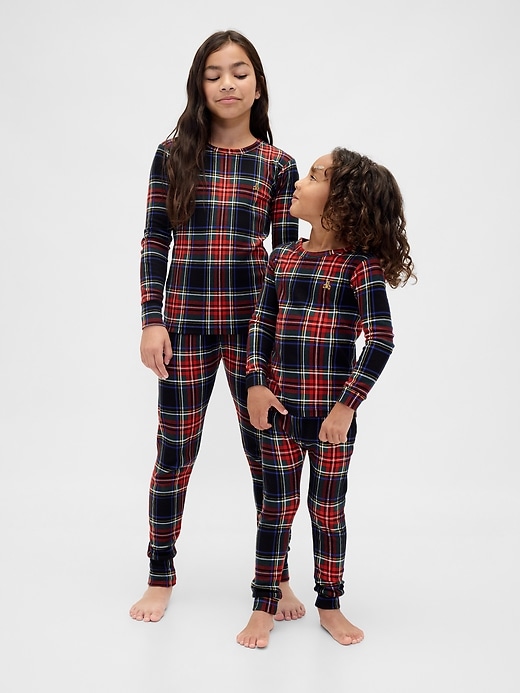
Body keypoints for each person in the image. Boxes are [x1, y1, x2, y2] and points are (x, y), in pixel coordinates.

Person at [130, 30, 305, 623]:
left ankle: (276, 576)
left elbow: (286, 261)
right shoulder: (172, 154)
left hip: (254, 333)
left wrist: (281, 337)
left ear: (257, 85)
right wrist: (151, 320)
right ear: (199, 86)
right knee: (175, 451)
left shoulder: (278, 166)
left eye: (239, 72)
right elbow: (155, 240)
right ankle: (160, 573)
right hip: (183, 327)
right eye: (213, 75)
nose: (227, 84)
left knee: (268, 456)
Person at [236, 147, 416, 648]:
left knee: (328, 512)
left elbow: (380, 340)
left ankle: (330, 604)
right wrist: (255, 383)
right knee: (275, 509)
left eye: (314, 176)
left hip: (331, 422)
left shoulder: (359, 268)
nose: (299, 182)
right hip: (279, 415)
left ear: (344, 202)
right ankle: (263, 604)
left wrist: (345, 407)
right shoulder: (283, 258)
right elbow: (261, 324)